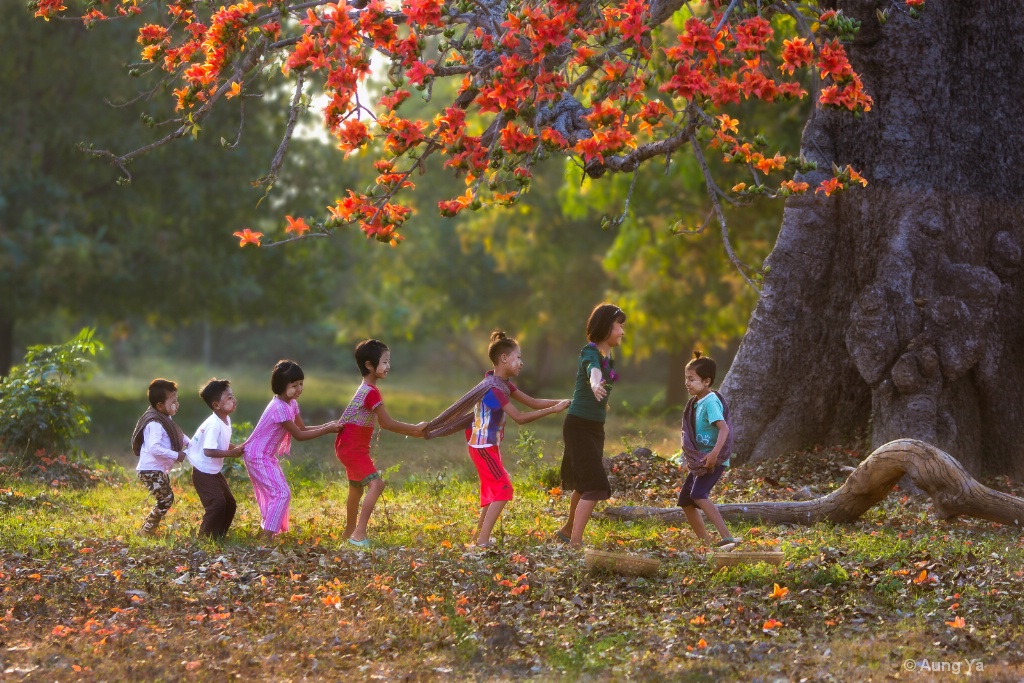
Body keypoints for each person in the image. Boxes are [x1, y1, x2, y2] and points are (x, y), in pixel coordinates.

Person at [421, 331, 569, 549]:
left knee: (494, 490)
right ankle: (482, 541)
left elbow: (534, 402)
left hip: (487, 446)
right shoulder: (493, 388)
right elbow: (519, 417)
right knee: (503, 489)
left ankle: (479, 537)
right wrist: (553, 411)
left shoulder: (503, 384)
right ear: (504, 359)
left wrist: (566, 402)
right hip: (482, 447)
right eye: (518, 357)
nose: (521, 362)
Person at [335, 339, 425, 548]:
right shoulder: (371, 391)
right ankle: (358, 535)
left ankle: (349, 531)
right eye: (384, 362)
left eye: (388, 361)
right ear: (369, 365)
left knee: (356, 488)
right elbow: (387, 423)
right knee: (376, 484)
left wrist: (413, 432)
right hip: (354, 448)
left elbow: (384, 424)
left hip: (346, 447)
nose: (388, 366)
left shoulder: (365, 388)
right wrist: (415, 427)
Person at [243, 360, 341, 542]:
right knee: (281, 493)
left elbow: (302, 428)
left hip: (266, 455)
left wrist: (328, 424)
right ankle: (266, 538)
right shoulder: (280, 408)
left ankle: (269, 532)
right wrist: (327, 429)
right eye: (294, 385)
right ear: (281, 385)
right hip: (257, 455)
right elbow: (299, 436)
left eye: (301, 384)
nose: (299, 389)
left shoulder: (291, 404)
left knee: (279, 492)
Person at [556, 303, 626, 548]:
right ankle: (575, 543)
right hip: (579, 425)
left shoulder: (610, 357)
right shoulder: (591, 352)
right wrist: (595, 384)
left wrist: (601, 400)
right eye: (618, 326)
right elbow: (592, 371)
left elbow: (603, 381)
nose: (622, 331)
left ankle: (567, 530)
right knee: (596, 487)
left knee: (585, 483)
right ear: (606, 326)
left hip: (595, 426)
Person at [678, 351, 739, 548]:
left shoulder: (711, 401)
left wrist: (713, 455)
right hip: (700, 460)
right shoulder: (696, 403)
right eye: (686, 379)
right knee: (686, 501)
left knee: (698, 495)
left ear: (706, 381)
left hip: (713, 460)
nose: (687, 383)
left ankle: (727, 536)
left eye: (691, 379)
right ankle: (704, 542)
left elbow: (724, 429)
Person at [130, 378, 189, 536]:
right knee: (165, 499)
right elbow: (154, 448)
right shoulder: (154, 423)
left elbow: (178, 435)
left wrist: (190, 444)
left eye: (177, 401)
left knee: (166, 499)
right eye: (173, 402)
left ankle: (147, 529)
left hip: (157, 469)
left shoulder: (165, 418)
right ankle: (146, 530)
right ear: (160, 405)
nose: (177, 405)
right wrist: (177, 455)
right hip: (150, 470)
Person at [187, 378, 244, 539]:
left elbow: (223, 443)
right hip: (202, 471)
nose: (234, 400)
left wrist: (236, 448)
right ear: (216, 405)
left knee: (230, 504)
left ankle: (219, 536)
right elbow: (209, 451)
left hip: (212, 470)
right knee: (217, 504)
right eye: (229, 398)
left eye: (233, 396)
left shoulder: (225, 419)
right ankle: (205, 539)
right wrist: (232, 454)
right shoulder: (214, 424)